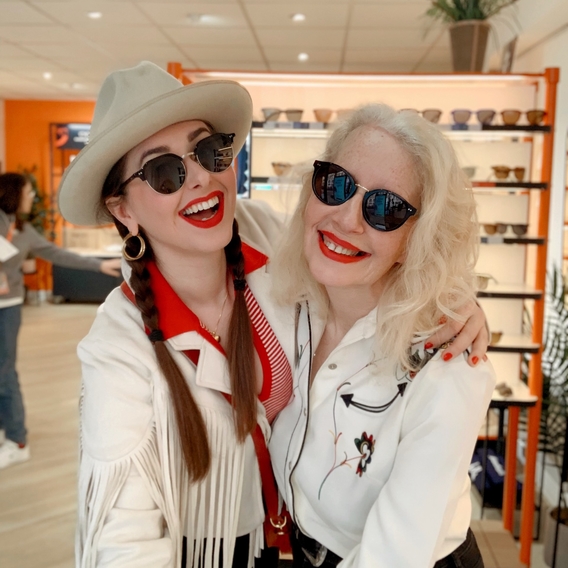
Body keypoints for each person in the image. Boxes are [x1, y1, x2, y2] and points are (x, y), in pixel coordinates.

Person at [57, 62, 489, 567]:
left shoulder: (265, 239)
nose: (199, 177)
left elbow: (367, 239)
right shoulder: (119, 345)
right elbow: (123, 538)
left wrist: (454, 301)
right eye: (164, 172)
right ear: (123, 209)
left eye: (206, 150)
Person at [269, 103, 496, 568]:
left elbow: (393, 556)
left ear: (418, 236)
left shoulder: (449, 368)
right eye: (336, 184)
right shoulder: (286, 302)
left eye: (385, 208)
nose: (347, 218)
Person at [0, 172, 121, 470]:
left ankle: (17, 440)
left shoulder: (24, 230)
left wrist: (97, 265)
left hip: (8, 307)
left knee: (5, 374)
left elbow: (56, 254)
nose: (31, 198)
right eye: (28, 192)